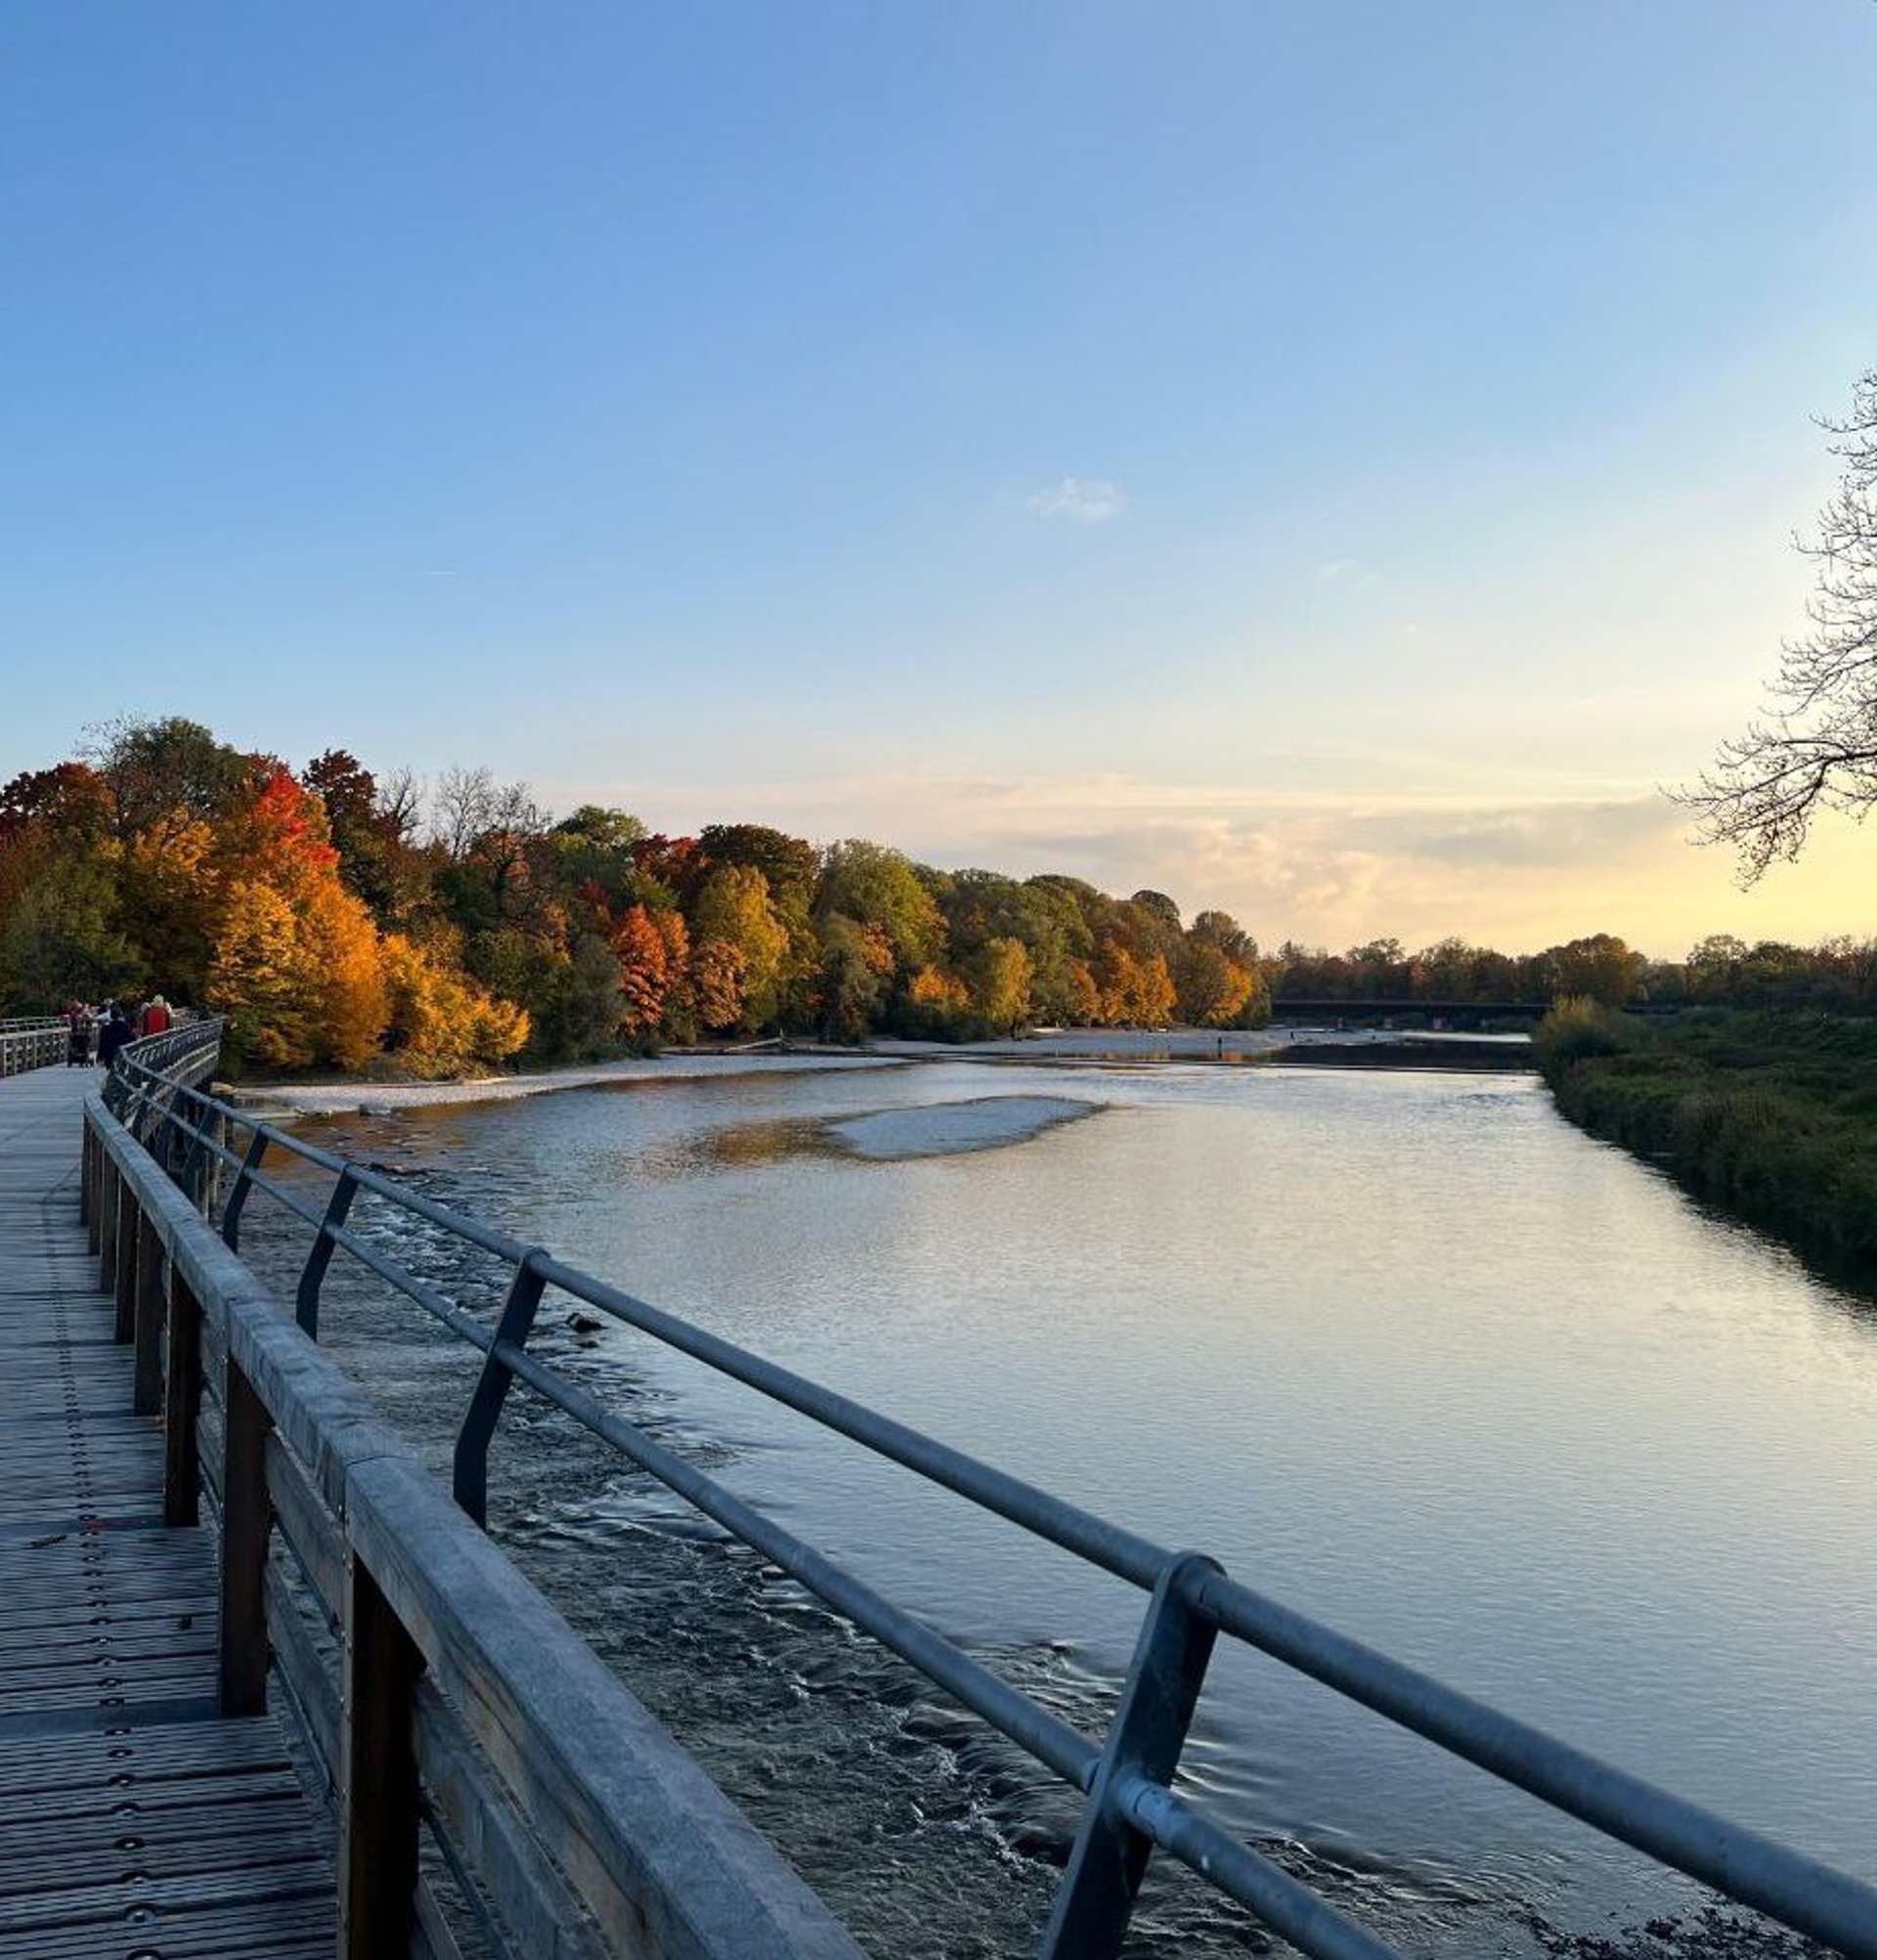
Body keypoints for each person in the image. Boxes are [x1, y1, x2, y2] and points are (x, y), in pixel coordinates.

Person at [97, 1001, 134, 1068]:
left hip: (109, 1054)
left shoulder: (106, 1028)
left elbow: (102, 1043)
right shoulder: (127, 1027)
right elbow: (132, 1040)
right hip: (123, 1053)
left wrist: (99, 1056)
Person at [65, 1000, 92, 1067]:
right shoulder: (73, 1015)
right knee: (74, 1043)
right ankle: (74, 1057)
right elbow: (70, 1023)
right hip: (76, 1034)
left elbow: (90, 1025)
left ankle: (83, 1058)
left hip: (84, 1034)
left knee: (84, 1043)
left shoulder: (86, 1015)